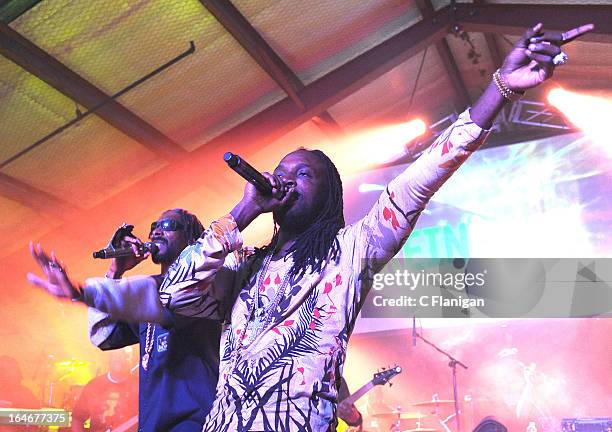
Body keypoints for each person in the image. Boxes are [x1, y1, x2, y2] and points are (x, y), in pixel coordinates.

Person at [28, 22, 593, 432]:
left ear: (328, 193)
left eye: (303, 173)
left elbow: (420, 179)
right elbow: (173, 293)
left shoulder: (354, 249)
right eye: (280, 172)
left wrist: (498, 88)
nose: (286, 178)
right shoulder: (241, 267)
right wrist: (241, 214)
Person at [31, 209, 221, 432]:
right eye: (154, 227)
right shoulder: (143, 301)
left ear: (191, 240)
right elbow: (105, 336)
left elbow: (162, 293)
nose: (157, 231)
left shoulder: (202, 286)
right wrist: (115, 271)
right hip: (154, 424)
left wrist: (81, 291)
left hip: (194, 422)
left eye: (169, 225)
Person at [71, 349, 137, 432]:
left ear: (131, 359)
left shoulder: (141, 386)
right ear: (109, 359)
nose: (119, 358)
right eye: (115, 355)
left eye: (124, 355)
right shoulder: (94, 385)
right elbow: (77, 418)